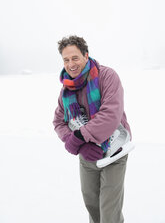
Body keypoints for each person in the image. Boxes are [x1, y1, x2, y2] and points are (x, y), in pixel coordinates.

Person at [53, 35, 132, 223]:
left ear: (86, 56)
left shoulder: (107, 76)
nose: (71, 64)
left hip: (114, 149)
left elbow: (110, 114)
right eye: (66, 59)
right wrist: (77, 145)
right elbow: (59, 121)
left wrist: (80, 136)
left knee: (109, 212)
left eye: (75, 58)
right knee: (93, 206)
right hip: (87, 154)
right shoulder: (66, 90)